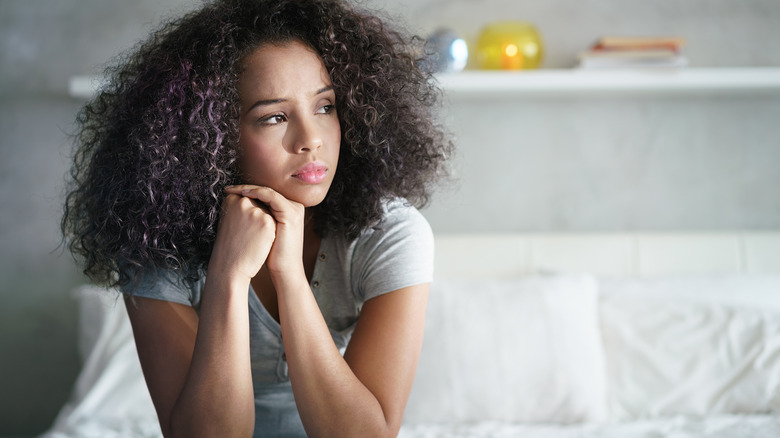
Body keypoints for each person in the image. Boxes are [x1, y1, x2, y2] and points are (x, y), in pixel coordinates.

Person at [61, 0, 452, 436]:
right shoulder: (155, 241)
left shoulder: (390, 233)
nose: (311, 140)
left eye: (325, 107)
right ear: (209, 136)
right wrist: (228, 274)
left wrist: (287, 274)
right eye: (275, 117)